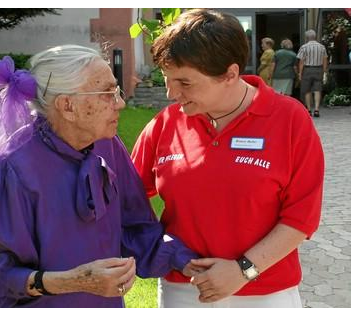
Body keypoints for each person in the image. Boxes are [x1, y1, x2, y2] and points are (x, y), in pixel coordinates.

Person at [0, 45, 198, 308]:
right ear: (67, 106)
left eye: (117, 90)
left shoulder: (107, 146)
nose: (121, 103)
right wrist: (71, 281)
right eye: (107, 93)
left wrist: (187, 260)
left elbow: (136, 229)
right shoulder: (16, 169)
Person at [131, 9, 324, 308]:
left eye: (185, 82)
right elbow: (126, 201)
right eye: (168, 79)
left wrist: (243, 270)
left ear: (230, 74)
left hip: (267, 291)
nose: (172, 93)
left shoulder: (289, 120)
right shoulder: (166, 123)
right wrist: (169, 253)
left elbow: (302, 217)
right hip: (185, 290)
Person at [297, 29, 328, 117]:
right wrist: (324, 71)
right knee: (317, 90)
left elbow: (301, 61)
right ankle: (317, 109)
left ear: (307, 38)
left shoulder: (304, 47)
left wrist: (300, 73)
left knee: (307, 90)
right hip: (319, 69)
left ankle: (309, 109)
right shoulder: (322, 47)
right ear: (315, 37)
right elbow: (325, 59)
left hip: (307, 70)